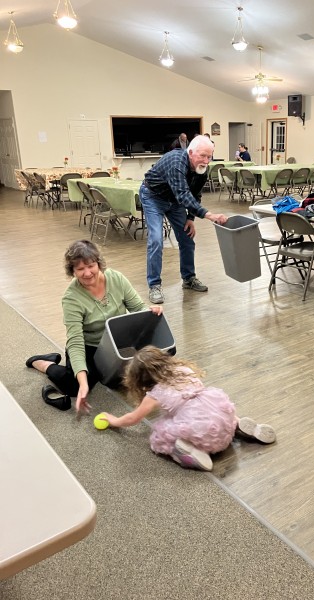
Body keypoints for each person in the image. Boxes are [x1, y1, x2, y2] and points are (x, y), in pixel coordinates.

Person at [25, 240, 163, 414]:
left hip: (115, 342)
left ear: (98, 263)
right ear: (72, 271)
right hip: (89, 345)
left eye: (91, 266)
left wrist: (150, 310)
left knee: (131, 375)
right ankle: (42, 362)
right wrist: (83, 383)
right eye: (80, 269)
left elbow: (138, 308)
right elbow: (75, 341)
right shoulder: (71, 298)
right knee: (75, 386)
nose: (87, 273)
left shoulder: (116, 278)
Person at [99, 346, 276, 471]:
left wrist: (113, 420)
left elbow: (133, 418)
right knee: (218, 412)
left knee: (159, 437)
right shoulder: (183, 369)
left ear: (139, 381)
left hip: (203, 431)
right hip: (219, 417)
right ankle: (238, 425)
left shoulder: (155, 395)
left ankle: (193, 453)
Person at [139, 135, 228, 305]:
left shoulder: (202, 169)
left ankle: (188, 278)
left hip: (174, 200)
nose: (206, 161)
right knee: (156, 239)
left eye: (210, 156)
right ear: (191, 152)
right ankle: (154, 285)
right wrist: (210, 215)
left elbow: (195, 194)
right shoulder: (176, 162)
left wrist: (190, 218)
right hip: (153, 197)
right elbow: (184, 195)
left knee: (187, 237)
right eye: (203, 156)